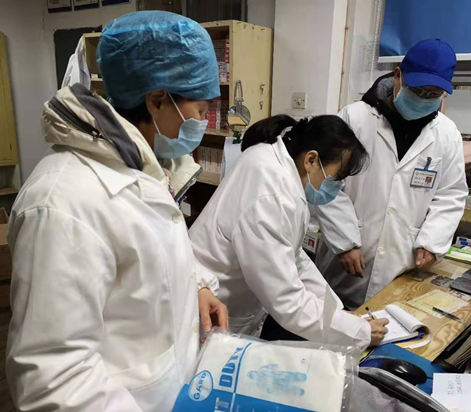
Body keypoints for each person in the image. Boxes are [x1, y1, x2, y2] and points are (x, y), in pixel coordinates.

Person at [6, 11, 228, 412]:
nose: (202, 121)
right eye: (199, 109)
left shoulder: (143, 169)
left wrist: (197, 285)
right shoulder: (63, 203)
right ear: (157, 100)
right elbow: (55, 383)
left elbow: (148, 258)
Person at [190, 114, 389, 348]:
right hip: (212, 304)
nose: (337, 187)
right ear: (311, 160)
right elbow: (287, 301)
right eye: (336, 178)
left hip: (228, 297)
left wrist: (338, 314)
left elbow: (294, 258)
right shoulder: (271, 194)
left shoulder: (278, 166)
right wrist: (357, 333)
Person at [315, 39, 468, 310]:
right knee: (334, 319)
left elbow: (451, 195)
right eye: (417, 90)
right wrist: (344, 240)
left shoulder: (447, 134)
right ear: (398, 76)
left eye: (433, 95)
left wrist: (432, 242)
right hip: (346, 262)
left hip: (402, 266)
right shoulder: (353, 119)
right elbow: (326, 182)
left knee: (389, 320)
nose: (423, 99)